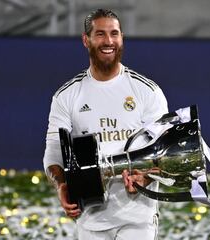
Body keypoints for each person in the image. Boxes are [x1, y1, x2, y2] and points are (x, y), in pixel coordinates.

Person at [43, 9, 168, 240]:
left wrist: (147, 177)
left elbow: (163, 152)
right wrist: (61, 184)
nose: (108, 41)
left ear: (122, 38)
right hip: (91, 217)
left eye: (114, 33)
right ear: (86, 40)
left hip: (137, 216)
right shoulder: (67, 96)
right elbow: (53, 152)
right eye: (100, 34)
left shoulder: (147, 92)